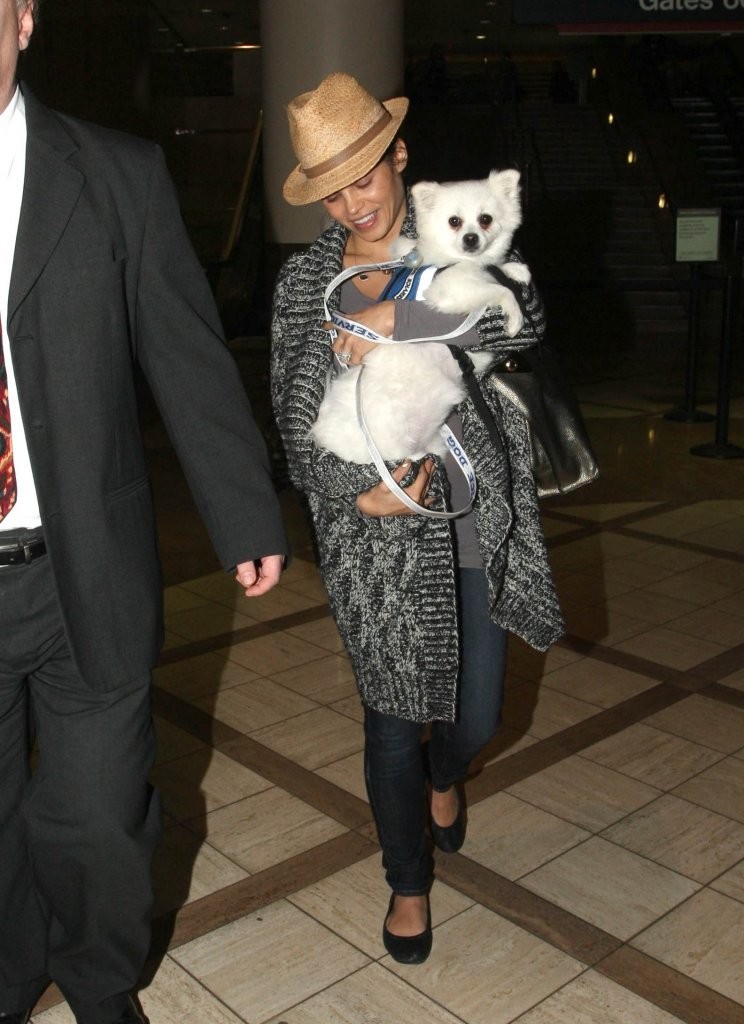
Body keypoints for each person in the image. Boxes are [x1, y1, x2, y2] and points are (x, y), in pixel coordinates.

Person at [0, 2, 289, 1022]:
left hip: (86, 563)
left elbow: (184, 351)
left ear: (23, 20)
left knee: (97, 815)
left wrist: (244, 511)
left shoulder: (116, 175)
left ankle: (99, 982)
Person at [270, 72, 563, 964]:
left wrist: (398, 316)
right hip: (369, 537)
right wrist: (351, 492)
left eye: (364, 176)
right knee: (393, 721)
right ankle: (407, 883)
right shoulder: (305, 283)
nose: (353, 203)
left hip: (471, 514)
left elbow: (521, 320)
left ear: (400, 156)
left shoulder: (447, 234)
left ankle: (450, 771)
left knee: (476, 718)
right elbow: (292, 417)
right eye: (332, 191)